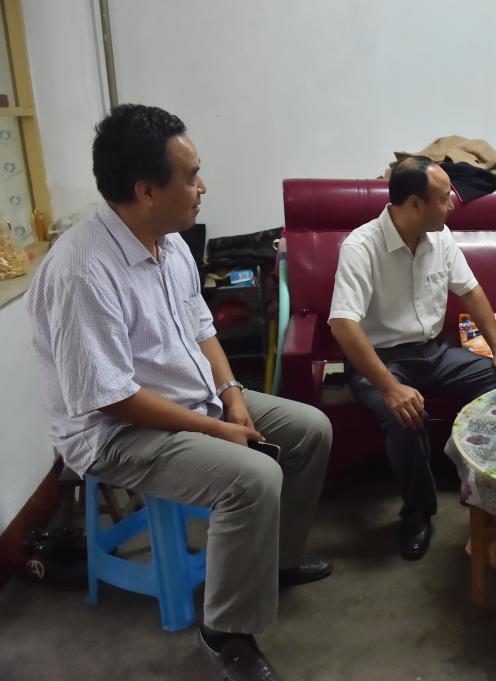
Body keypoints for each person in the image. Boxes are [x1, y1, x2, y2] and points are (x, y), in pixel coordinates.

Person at [28, 104, 332, 681]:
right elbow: (111, 397)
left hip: (192, 399)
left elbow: (201, 328)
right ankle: (225, 632)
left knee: (309, 430)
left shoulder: (167, 244)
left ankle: (273, 564)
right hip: (116, 432)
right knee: (252, 477)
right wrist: (218, 429)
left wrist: (233, 396)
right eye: (191, 177)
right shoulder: (82, 272)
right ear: (146, 191)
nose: (202, 187)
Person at [328, 156, 496, 561]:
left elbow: (472, 292)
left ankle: (487, 486)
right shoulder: (361, 246)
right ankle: (418, 512)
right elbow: (343, 325)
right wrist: (390, 388)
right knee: (403, 413)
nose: (452, 204)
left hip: (433, 352)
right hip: (381, 361)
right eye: (444, 198)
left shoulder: (441, 237)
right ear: (416, 204)